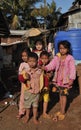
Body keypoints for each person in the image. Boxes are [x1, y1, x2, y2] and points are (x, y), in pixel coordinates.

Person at [43, 40, 76, 121]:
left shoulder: (70, 58)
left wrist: (72, 79)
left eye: (64, 48)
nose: (62, 50)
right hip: (58, 80)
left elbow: (72, 69)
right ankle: (61, 110)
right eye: (60, 48)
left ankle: (63, 112)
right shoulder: (57, 57)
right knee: (60, 96)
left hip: (66, 81)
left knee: (63, 96)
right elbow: (52, 65)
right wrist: (46, 67)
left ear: (68, 49)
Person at [22, 52, 42, 124]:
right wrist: (25, 77)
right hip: (28, 91)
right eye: (30, 61)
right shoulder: (26, 71)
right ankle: (27, 116)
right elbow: (21, 78)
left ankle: (34, 118)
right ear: (27, 61)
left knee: (35, 106)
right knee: (27, 106)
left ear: (37, 61)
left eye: (34, 61)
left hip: (36, 92)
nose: (32, 63)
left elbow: (42, 79)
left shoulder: (39, 71)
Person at [17, 47, 31, 119]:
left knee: (31, 98)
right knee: (22, 98)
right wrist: (22, 79)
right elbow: (20, 74)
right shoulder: (22, 64)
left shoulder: (32, 62)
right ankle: (21, 112)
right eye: (23, 56)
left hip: (31, 84)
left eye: (25, 56)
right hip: (24, 85)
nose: (24, 57)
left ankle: (30, 112)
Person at [39, 51, 53, 119]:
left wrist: (49, 74)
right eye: (42, 58)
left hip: (46, 86)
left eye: (46, 58)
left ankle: (44, 112)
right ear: (40, 58)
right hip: (40, 86)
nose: (44, 60)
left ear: (49, 59)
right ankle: (39, 110)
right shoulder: (38, 65)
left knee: (46, 100)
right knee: (39, 99)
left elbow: (50, 75)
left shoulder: (49, 67)